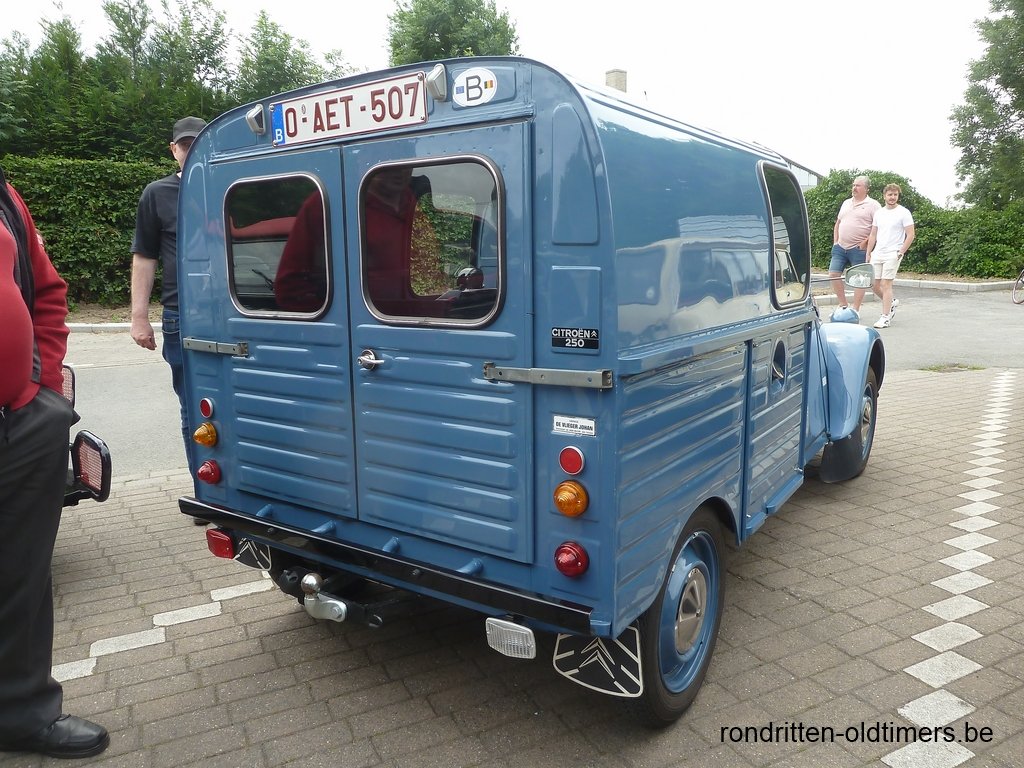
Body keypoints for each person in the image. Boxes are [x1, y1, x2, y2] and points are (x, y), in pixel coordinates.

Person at [0, 168, 110, 758]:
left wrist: (40, 394)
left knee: (20, 578)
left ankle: (21, 714)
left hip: (19, 423)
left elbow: (45, 291)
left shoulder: (3, 193)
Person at [130, 116, 207, 519]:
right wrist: (139, 317)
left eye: (198, 142)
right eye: (185, 144)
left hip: (234, 312)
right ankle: (207, 494)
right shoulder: (157, 193)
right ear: (173, 149)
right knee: (194, 406)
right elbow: (144, 256)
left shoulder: (227, 184)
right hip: (182, 315)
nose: (191, 150)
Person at [829, 175, 881, 321]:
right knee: (833, 274)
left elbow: (878, 228)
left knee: (860, 279)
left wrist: (865, 243)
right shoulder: (846, 203)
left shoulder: (873, 205)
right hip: (840, 247)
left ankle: (855, 310)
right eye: (853, 185)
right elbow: (838, 223)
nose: (854, 188)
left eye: (858, 185)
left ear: (866, 189)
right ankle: (843, 305)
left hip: (859, 249)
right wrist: (835, 241)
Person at [865, 183, 915, 329]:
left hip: (893, 253)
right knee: (873, 284)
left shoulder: (904, 212)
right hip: (878, 252)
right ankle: (891, 302)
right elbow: (873, 234)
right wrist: (868, 252)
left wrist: (901, 252)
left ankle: (885, 317)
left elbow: (910, 234)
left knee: (886, 284)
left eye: (895, 195)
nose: (892, 197)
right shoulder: (879, 213)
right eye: (890, 194)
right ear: (884, 196)